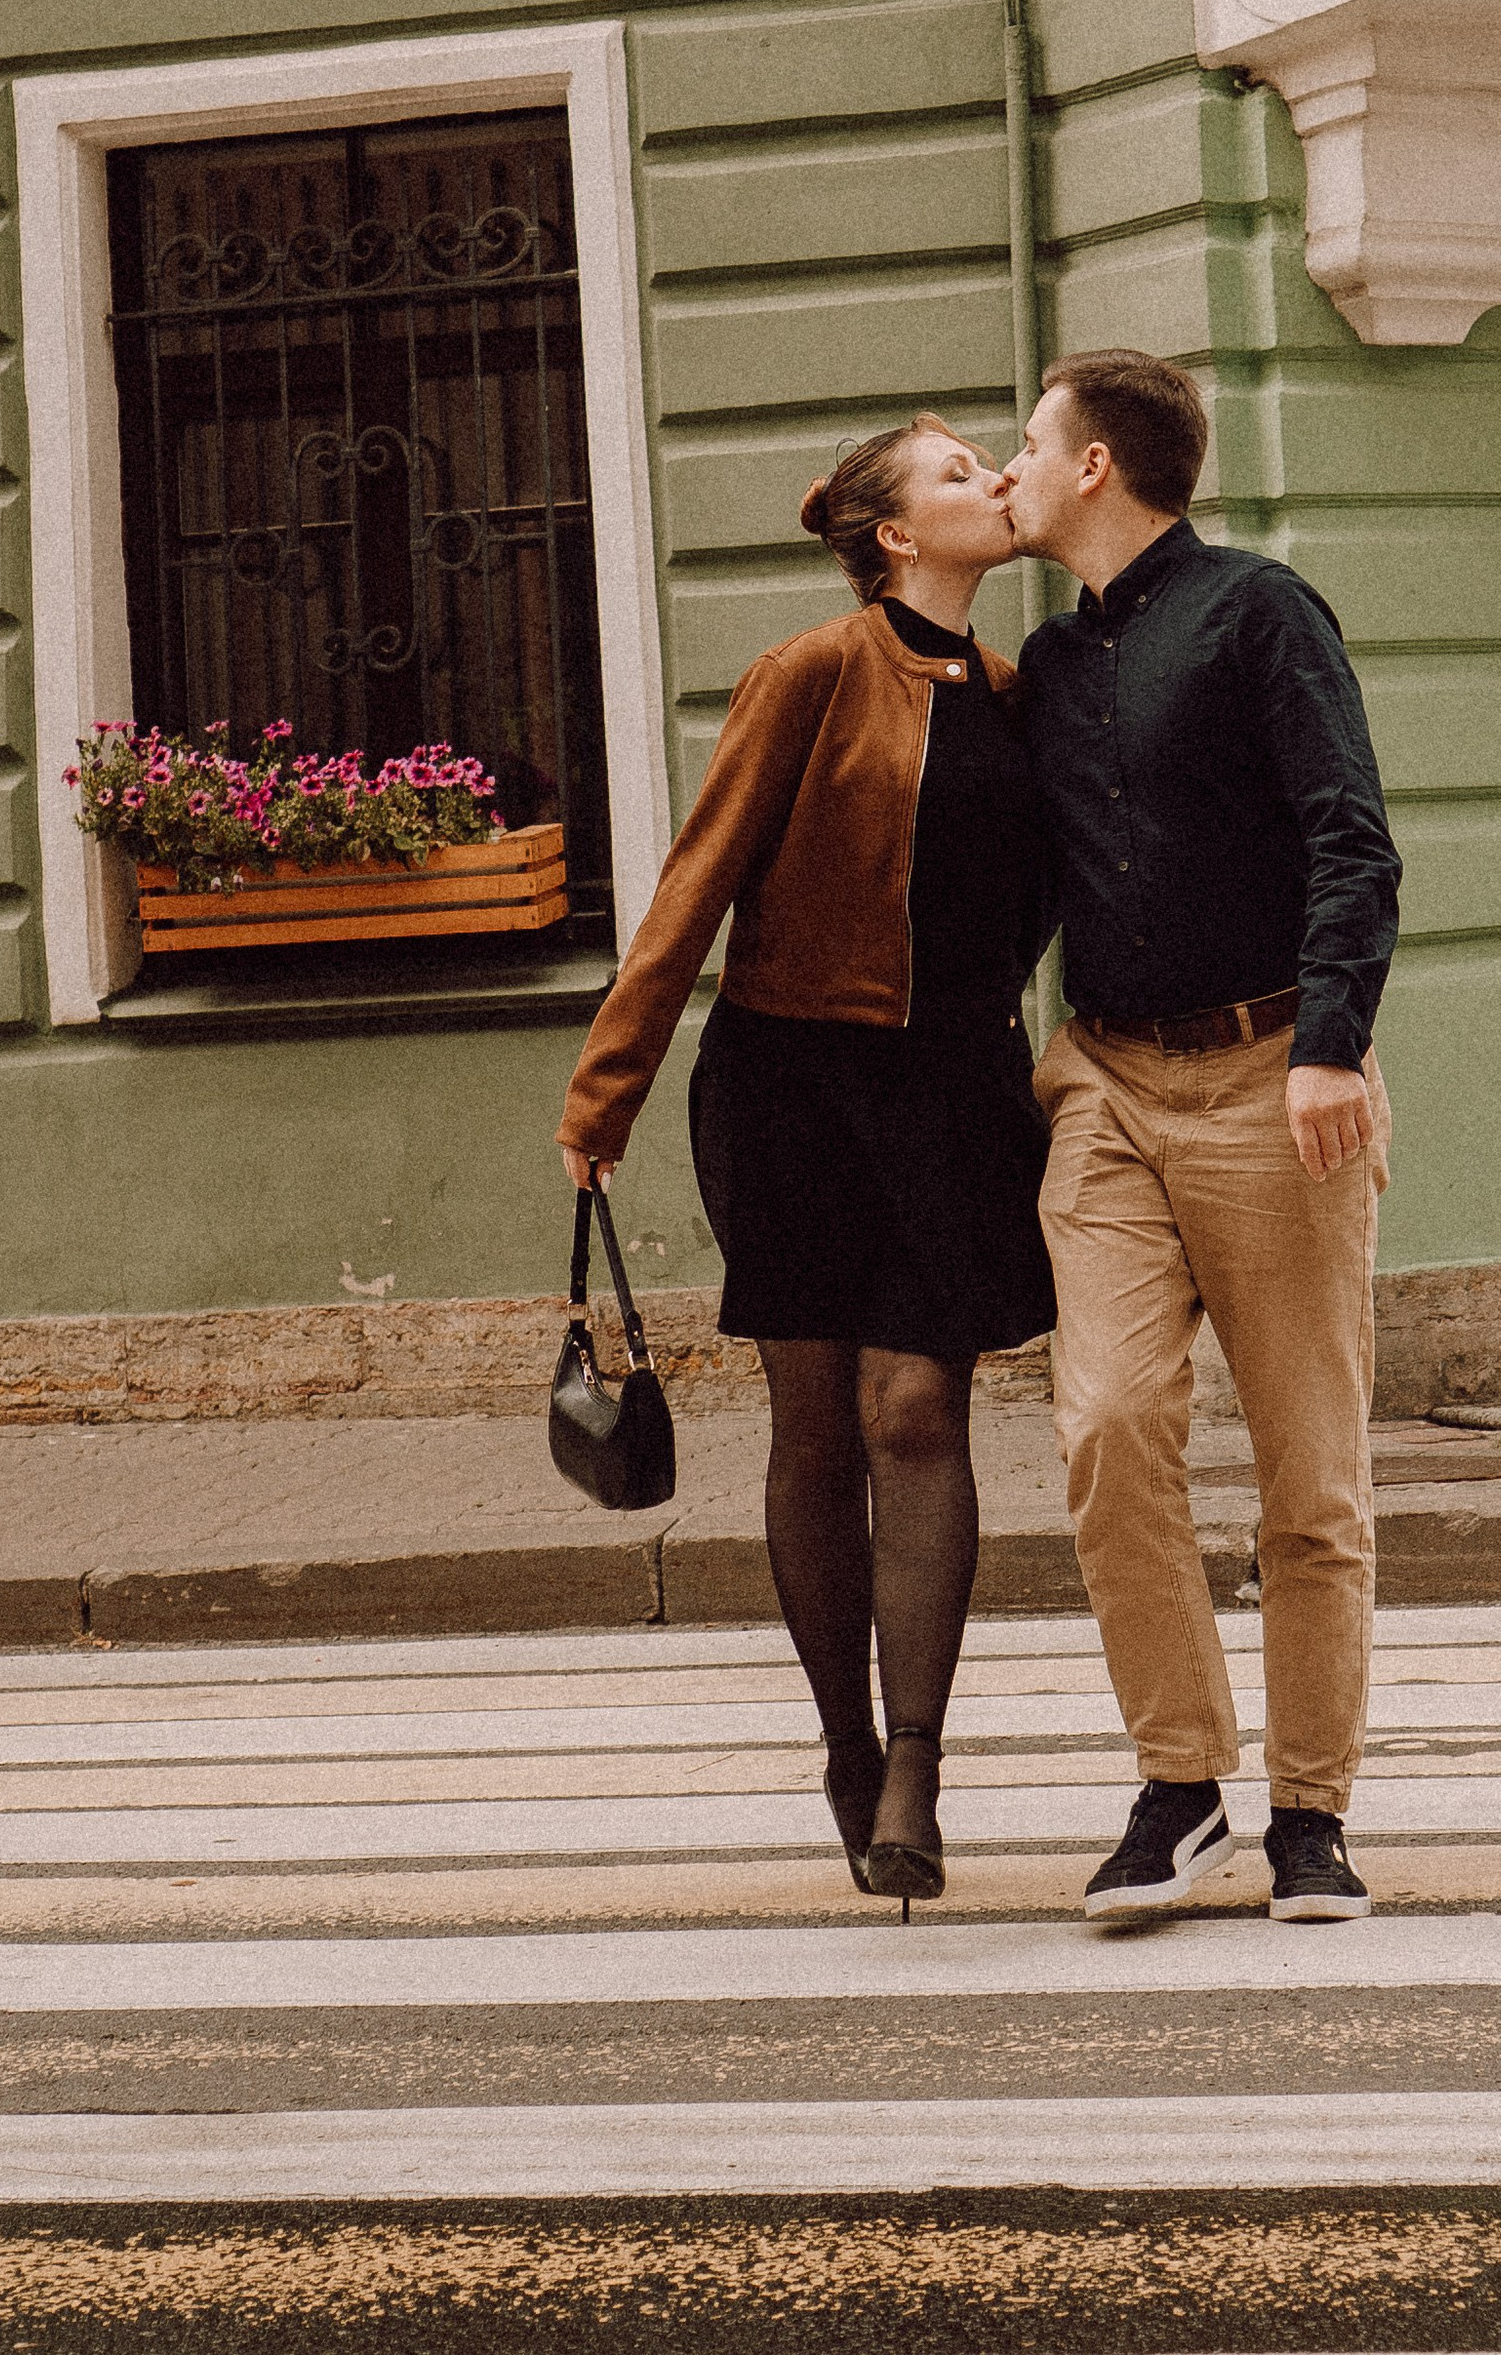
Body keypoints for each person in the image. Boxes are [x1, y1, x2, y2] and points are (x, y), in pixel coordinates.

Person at [556, 416, 1053, 1907]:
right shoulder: (815, 672)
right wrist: (607, 1090)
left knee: (919, 1405)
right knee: (820, 1425)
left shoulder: (1022, 697)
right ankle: (847, 1745)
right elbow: (697, 875)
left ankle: (916, 1763)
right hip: (794, 1079)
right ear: (893, 534)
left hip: (955, 1087)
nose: (990, 483)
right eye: (959, 472)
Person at [1002, 347, 1401, 1927]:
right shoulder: (1044, 663)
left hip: (1265, 1081)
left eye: (1031, 444)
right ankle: (1182, 1787)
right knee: (1106, 1422)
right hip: (1103, 1085)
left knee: (1311, 1471)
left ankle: (1311, 1811)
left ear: (1097, 465)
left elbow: (1348, 831)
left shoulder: (1258, 611)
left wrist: (1330, 1045)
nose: (1014, 470)